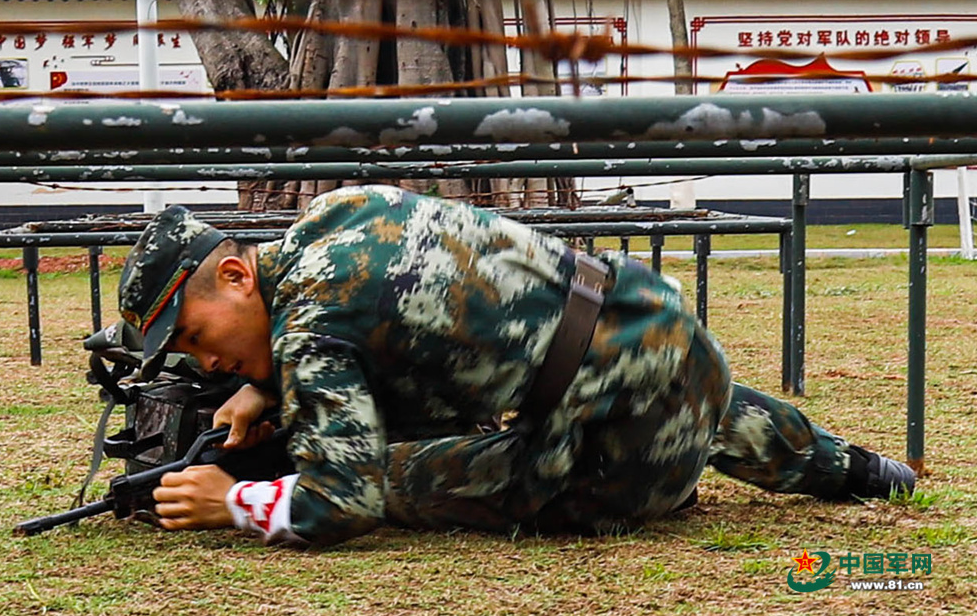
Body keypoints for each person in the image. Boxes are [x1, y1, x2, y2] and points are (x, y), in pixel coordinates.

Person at [117, 185, 916, 547]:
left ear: (235, 275)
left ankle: (649, 486)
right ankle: (864, 471)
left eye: (192, 335)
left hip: (615, 457)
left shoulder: (313, 327)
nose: (205, 359)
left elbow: (343, 501)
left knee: (396, 472)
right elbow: (387, 315)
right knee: (677, 400)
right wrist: (267, 380)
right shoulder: (334, 216)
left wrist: (238, 500)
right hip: (665, 338)